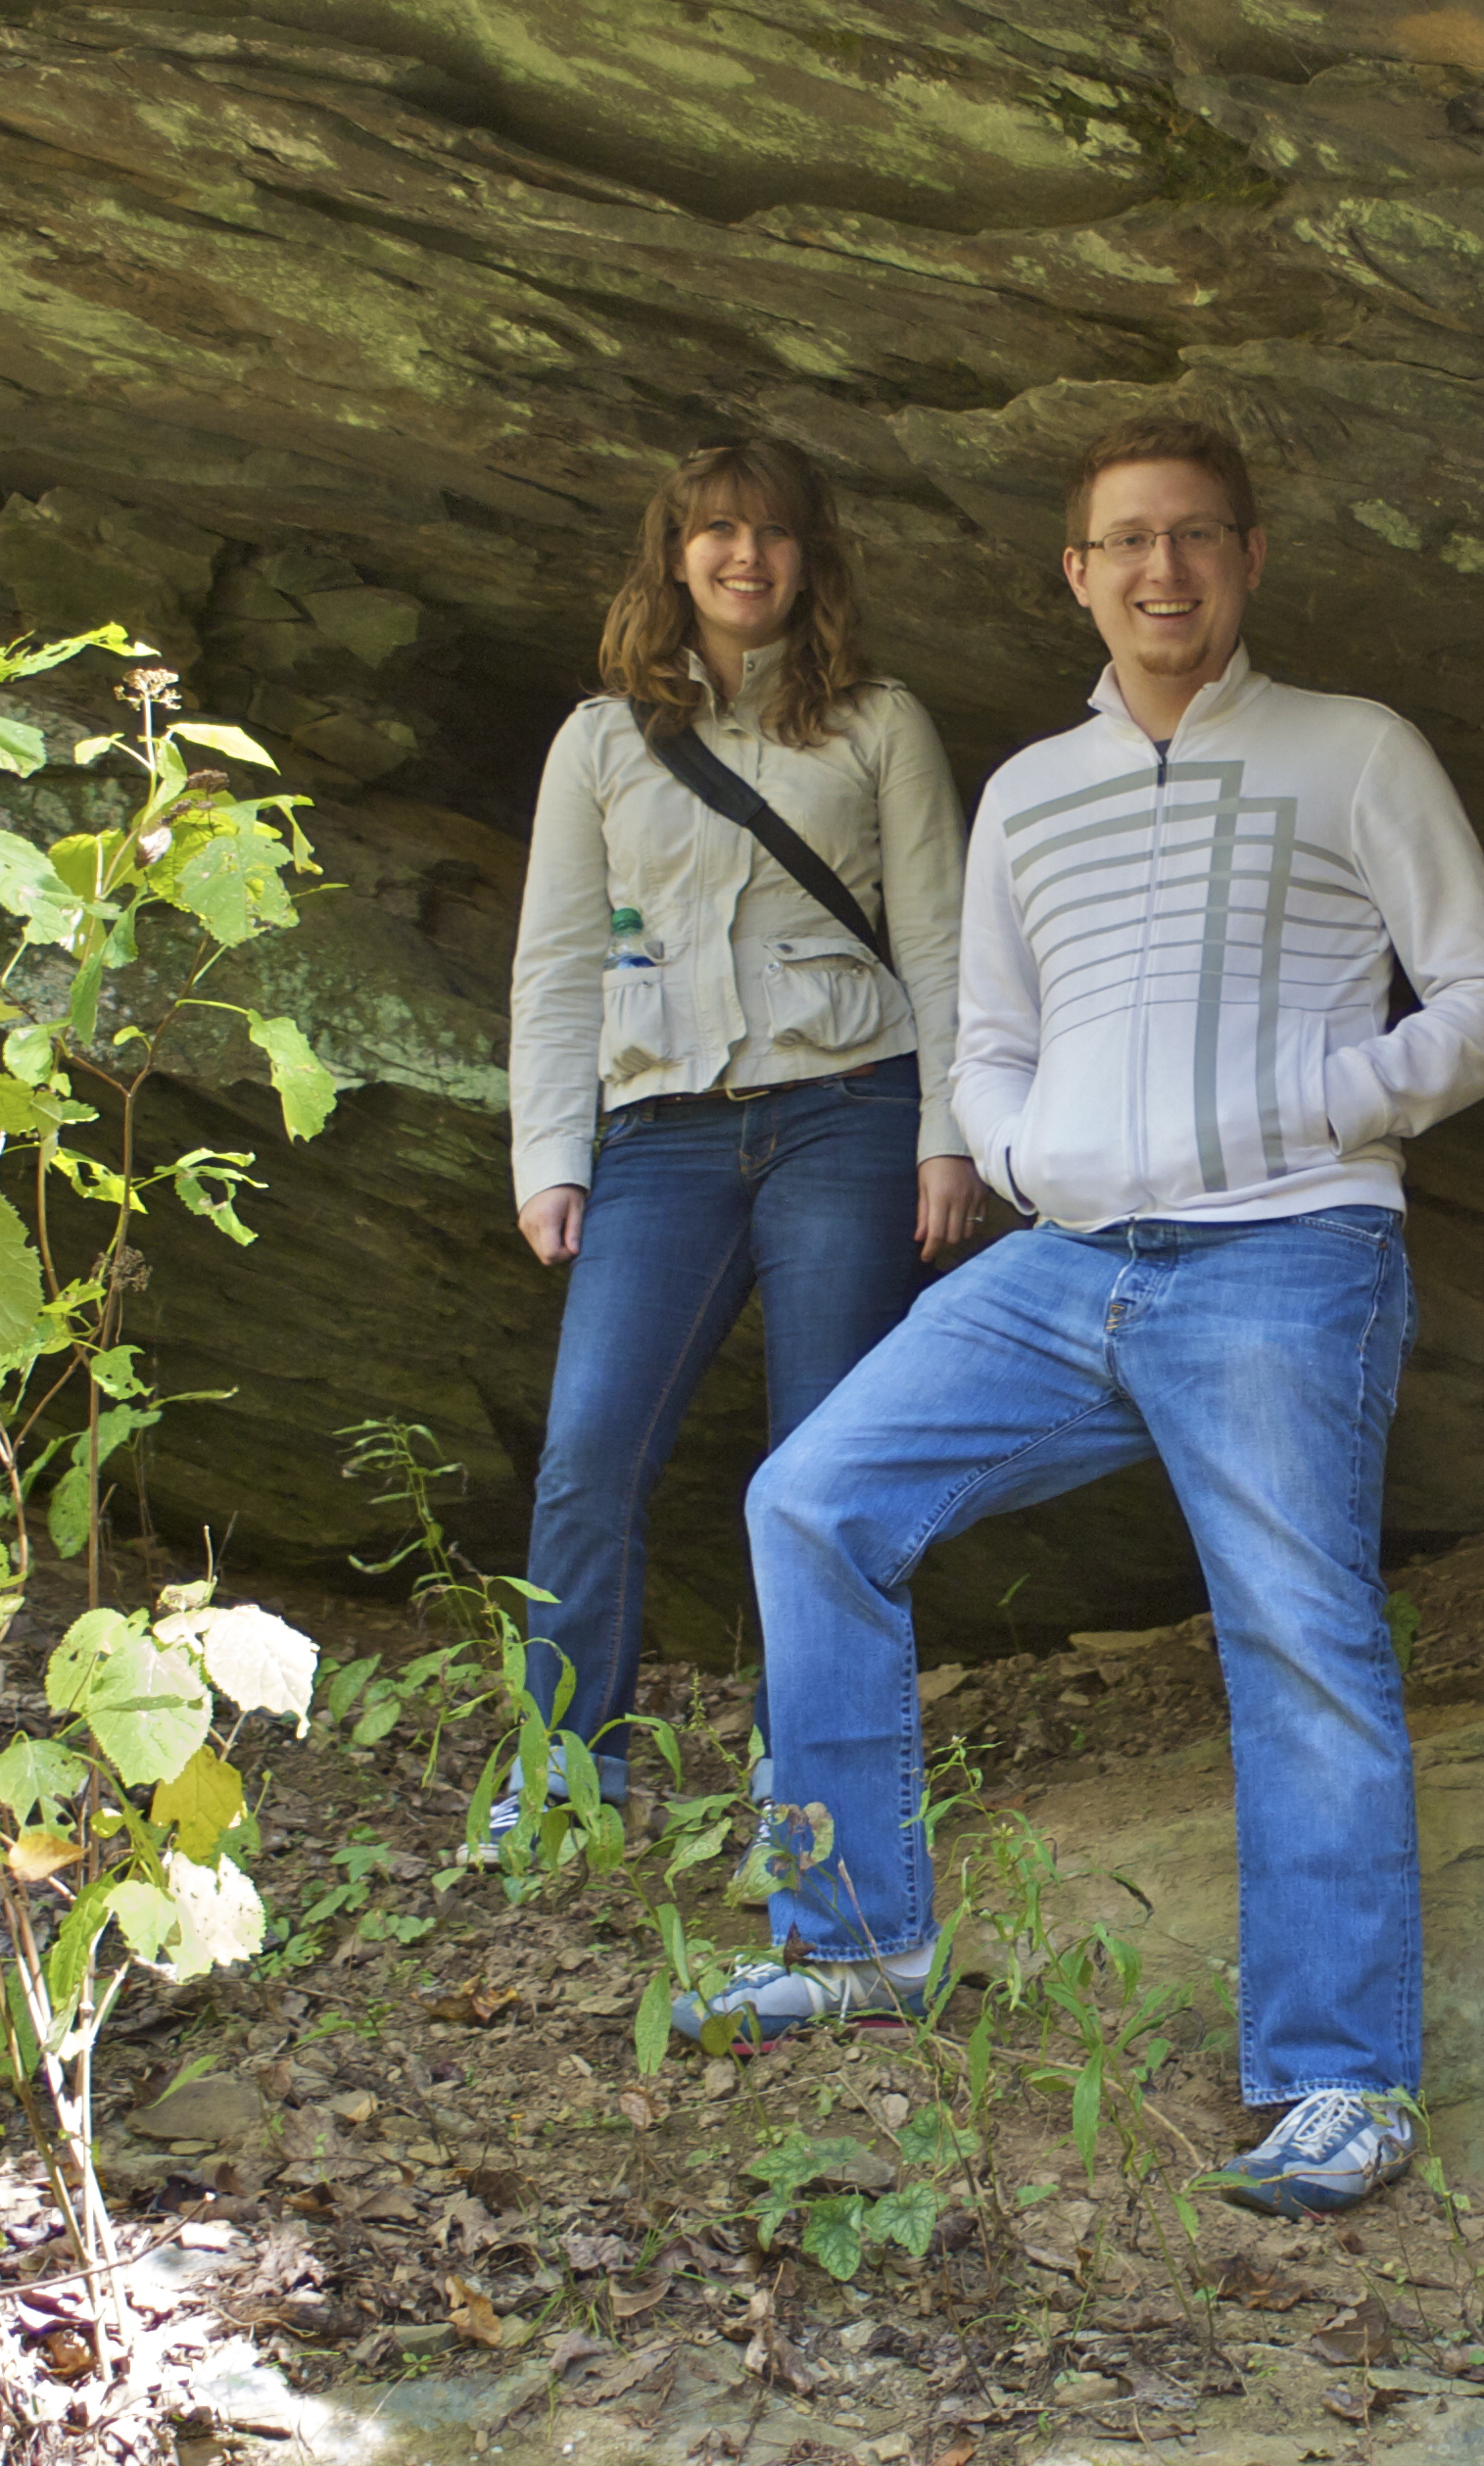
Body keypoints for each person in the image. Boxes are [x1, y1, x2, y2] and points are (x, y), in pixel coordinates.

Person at [708, 411, 1484, 2217]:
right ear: (1078, 574)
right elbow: (987, 1034)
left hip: (1288, 1251)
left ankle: (1341, 2084)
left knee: (1298, 1636)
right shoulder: (1028, 789)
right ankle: (856, 1941)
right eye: (1128, 542)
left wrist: (1317, 1108)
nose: (1164, 570)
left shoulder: (1356, 749)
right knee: (811, 1500)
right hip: (1070, 1262)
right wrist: (1020, 1151)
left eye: (1197, 536)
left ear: (1248, 558)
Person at [495, 438, 982, 1849]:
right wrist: (551, 1156)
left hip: (850, 1111)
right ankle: (563, 1777)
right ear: (674, 554)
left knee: (821, 1466)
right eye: (716, 530)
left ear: (810, 559)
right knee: (588, 1453)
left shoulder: (880, 723)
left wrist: (949, 1134)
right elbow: (557, 963)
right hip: (659, 1133)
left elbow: (943, 946)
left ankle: (807, 1785)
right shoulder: (601, 740)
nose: (744, 556)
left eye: (772, 532)